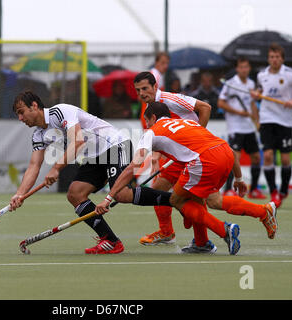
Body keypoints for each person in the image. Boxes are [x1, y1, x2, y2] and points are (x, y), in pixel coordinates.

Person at [95, 102, 278, 255]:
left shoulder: (151, 132)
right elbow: (226, 148)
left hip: (204, 161)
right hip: (225, 154)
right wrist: (238, 177)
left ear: (151, 118)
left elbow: (133, 167)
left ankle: (224, 230)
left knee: (175, 199)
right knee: (212, 200)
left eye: (147, 121)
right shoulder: (187, 123)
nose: (147, 125)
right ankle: (261, 212)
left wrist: (109, 197)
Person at [8, 91, 135, 254]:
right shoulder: (38, 135)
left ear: (34, 106)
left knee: (122, 194)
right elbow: (34, 165)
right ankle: (111, 241)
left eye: (21, 112)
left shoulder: (59, 112)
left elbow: (78, 141)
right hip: (95, 156)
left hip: (114, 144)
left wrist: (56, 169)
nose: (20, 118)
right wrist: (19, 194)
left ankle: (173, 200)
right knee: (75, 194)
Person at [133, 71, 212, 245]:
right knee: (158, 189)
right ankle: (167, 232)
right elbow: (159, 135)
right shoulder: (150, 107)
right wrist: (155, 158)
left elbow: (205, 107)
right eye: (138, 90)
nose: (141, 94)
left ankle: (259, 212)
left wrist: (200, 138)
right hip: (178, 156)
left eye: (145, 88)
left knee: (209, 200)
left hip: (195, 154)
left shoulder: (170, 99)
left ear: (155, 86)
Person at [251, 43, 292, 208]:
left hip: (285, 121)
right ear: (268, 58)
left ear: (282, 58)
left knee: (285, 159)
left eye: (277, 57)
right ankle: (273, 191)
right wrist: (256, 95)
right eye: (271, 57)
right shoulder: (261, 75)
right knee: (269, 156)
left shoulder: (291, 74)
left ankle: (284, 189)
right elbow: (259, 91)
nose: (274, 60)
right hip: (267, 119)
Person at [218, 57, 266, 199]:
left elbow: (252, 105)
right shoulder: (231, 83)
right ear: (237, 68)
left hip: (249, 127)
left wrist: (257, 122)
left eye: (246, 67)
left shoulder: (251, 84)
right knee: (235, 159)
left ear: (248, 68)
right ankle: (227, 189)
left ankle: (254, 190)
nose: (243, 69)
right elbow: (221, 103)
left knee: (256, 158)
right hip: (236, 127)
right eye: (241, 67)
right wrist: (239, 112)